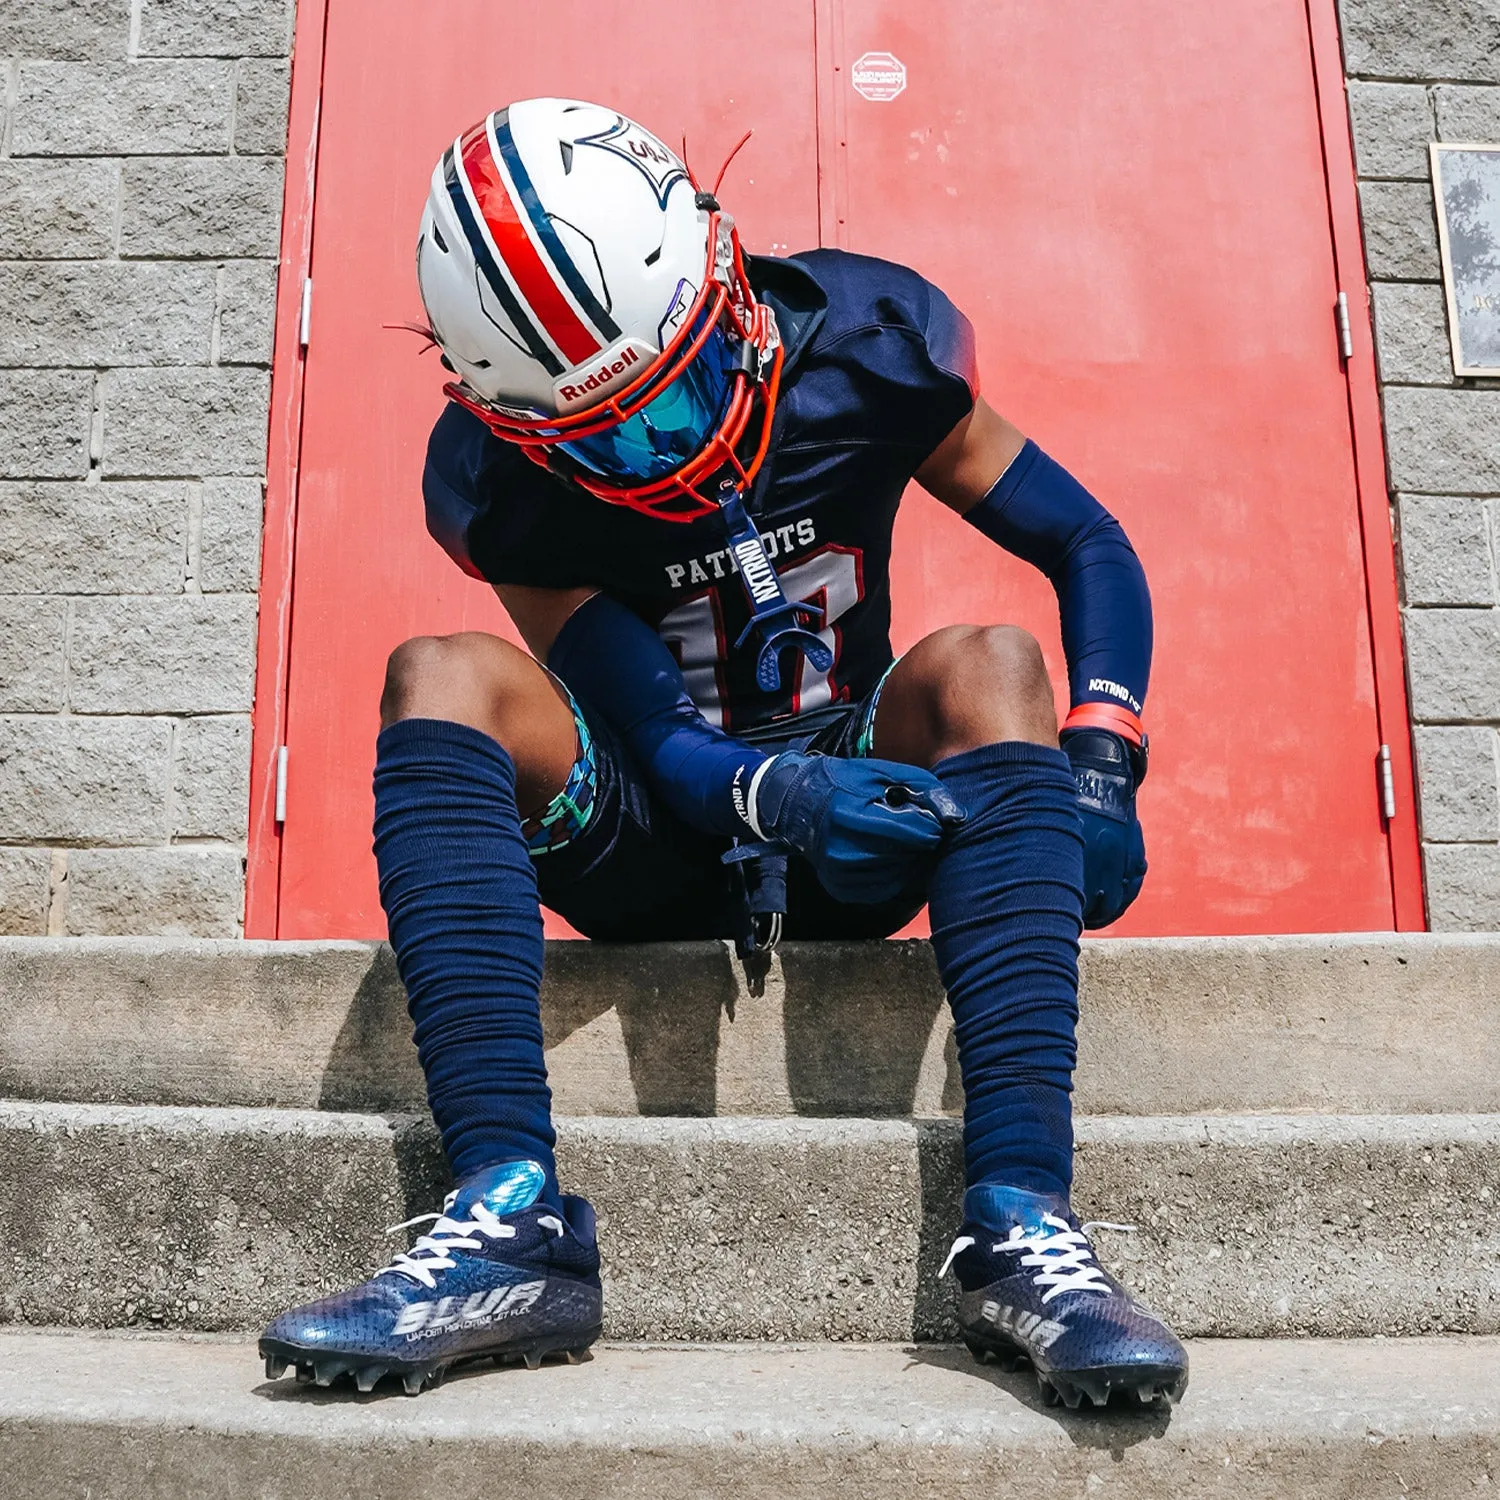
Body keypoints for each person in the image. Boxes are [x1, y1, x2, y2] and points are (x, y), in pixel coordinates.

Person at [259, 97, 1187, 1409]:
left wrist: (1101, 758)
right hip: (658, 826)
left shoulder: (866, 346)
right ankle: (510, 1214)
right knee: (443, 672)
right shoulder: (500, 480)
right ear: (523, 428)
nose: (670, 450)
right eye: (610, 439)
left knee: (992, 658)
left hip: (860, 807)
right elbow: (653, 731)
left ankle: (1021, 1220)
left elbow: (1087, 544)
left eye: (681, 391)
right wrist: (771, 789)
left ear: (726, 287)